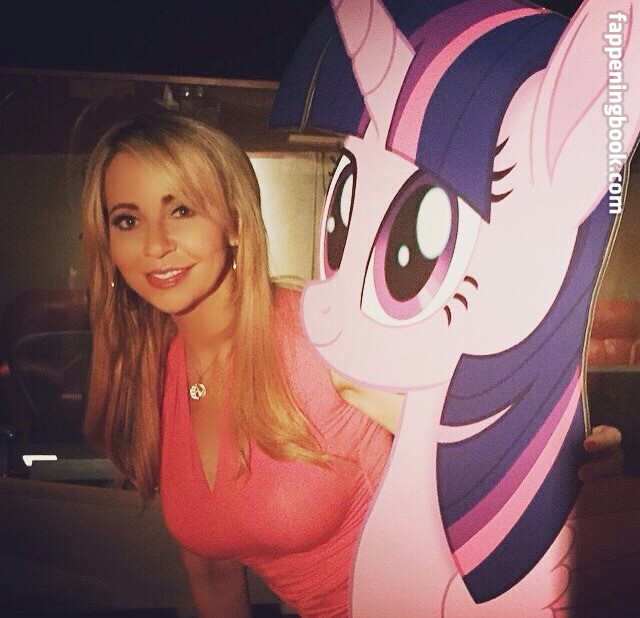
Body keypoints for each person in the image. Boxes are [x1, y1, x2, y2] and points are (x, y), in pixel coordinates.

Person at [80, 113, 622, 618]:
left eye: (181, 210)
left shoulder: (323, 336)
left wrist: (577, 456)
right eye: (127, 219)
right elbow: (211, 568)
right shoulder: (154, 375)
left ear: (235, 223)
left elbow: (499, 453)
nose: (155, 244)